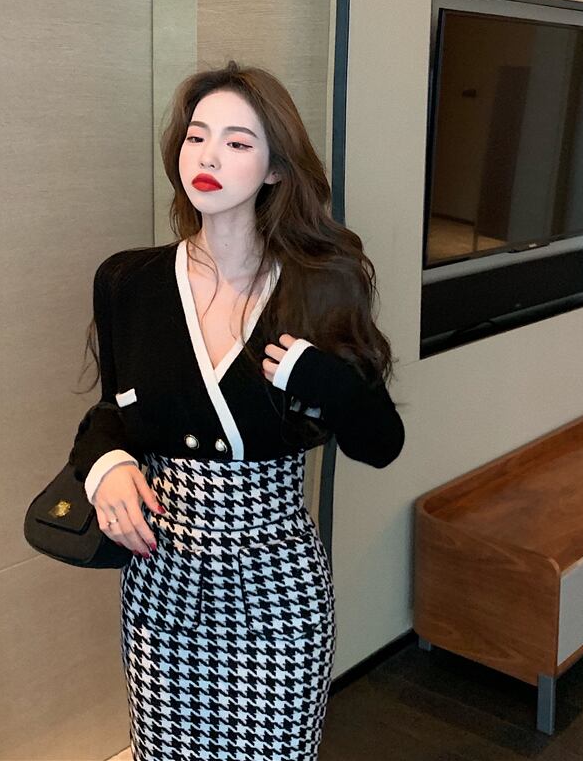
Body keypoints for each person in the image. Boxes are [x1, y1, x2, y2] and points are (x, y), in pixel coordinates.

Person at [68, 60, 405, 761]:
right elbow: (112, 410)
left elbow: (381, 442)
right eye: (197, 137)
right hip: (163, 581)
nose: (209, 156)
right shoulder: (130, 281)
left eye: (237, 142)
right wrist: (106, 465)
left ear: (276, 168)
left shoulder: (320, 284)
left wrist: (328, 382)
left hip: (277, 585)